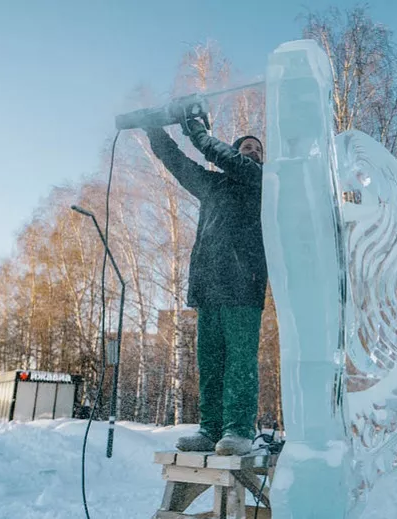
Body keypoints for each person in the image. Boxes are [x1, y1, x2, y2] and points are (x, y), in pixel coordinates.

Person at [144, 116, 267, 456]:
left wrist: (197, 132)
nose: (252, 152)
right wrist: (153, 129)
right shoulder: (212, 185)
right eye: (246, 146)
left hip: (244, 286)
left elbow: (226, 158)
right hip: (208, 287)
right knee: (210, 364)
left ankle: (238, 430)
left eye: (257, 149)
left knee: (240, 362)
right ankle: (210, 429)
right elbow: (177, 162)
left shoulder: (263, 181)